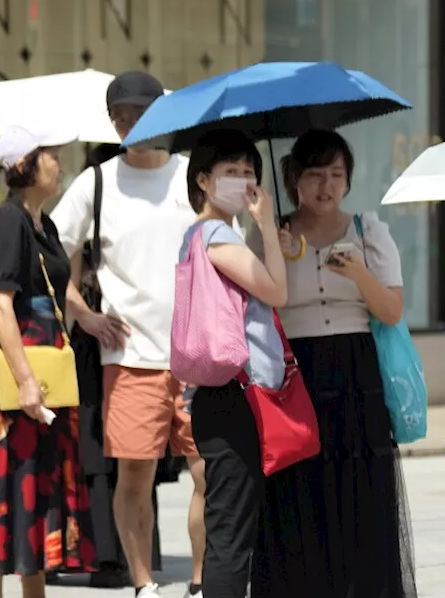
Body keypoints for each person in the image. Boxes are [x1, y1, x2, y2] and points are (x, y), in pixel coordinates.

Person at [51, 71, 206, 598]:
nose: (132, 125)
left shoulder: (193, 178)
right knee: (134, 475)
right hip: (130, 355)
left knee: (208, 472)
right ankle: (143, 583)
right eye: (122, 118)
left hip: (198, 355)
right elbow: (48, 257)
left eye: (142, 114)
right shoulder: (96, 182)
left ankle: (204, 580)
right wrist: (83, 315)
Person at [246, 130, 417, 598]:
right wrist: (270, 251)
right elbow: (250, 310)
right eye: (315, 174)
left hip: (355, 373)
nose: (327, 185)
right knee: (300, 495)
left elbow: (393, 311)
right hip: (294, 374)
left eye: (337, 175)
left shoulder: (368, 229)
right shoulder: (270, 231)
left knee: (360, 495)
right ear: (293, 180)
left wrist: (359, 273)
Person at [0, 124, 97, 598]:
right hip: (22, 364)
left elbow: (56, 289)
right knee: (12, 484)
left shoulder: (44, 222)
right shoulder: (7, 221)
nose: (59, 164)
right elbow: (0, 303)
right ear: (24, 165)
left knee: (37, 488)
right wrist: (23, 381)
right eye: (51, 155)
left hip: (47, 365)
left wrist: (91, 318)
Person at [180, 129, 287, 598]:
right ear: (203, 179)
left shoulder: (196, 234)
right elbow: (277, 293)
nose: (243, 180)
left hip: (221, 395)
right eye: (230, 172)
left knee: (234, 527)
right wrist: (267, 228)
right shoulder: (217, 232)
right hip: (237, 396)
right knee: (230, 539)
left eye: (249, 171)